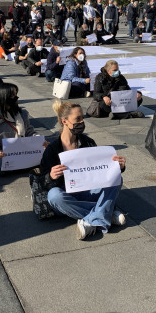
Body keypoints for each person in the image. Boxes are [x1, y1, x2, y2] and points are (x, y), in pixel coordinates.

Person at [40, 100, 127, 240]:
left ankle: (93, 219)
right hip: (67, 196)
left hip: (89, 191)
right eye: (77, 119)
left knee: (117, 178)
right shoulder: (52, 149)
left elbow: (101, 171)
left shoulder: (88, 142)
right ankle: (106, 213)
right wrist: (51, 176)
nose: (82, 122)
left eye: (82, 118)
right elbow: (43, 183)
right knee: (54, 196)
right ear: (65, 121)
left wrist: (118, 167)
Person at [0, 83, 45, 171]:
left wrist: (40, 141)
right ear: (4, 97)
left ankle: (16, 166)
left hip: (22, 150)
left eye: (16, 94)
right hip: (2, 151)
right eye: (12, 95)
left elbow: (29, 132)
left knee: (46, 153)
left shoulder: (22, 113)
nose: (16, 98)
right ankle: (22, 165)